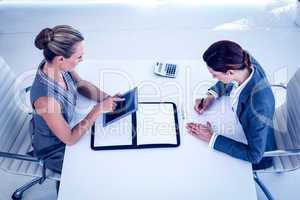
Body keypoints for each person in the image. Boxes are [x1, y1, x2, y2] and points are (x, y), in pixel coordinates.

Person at [30, 25, 124, 174]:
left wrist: (106, 98)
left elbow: (80, 84)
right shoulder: (46, 101)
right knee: (106, 166)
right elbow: (70, 139)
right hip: (56, 150)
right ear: (61, 58)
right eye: (78, 57)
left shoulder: (57, 66)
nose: (82, 60)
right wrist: (97, 110)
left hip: (70, 123)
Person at [186, 40, 276, 170]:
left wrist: (212, 138)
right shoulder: (243, 60)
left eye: (215, 75)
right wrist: (212, 95)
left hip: (256, 151)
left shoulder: (258, 107)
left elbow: (255, 156)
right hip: (245, 125)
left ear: (229, 73)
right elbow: (231, 80)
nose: (213, 77)